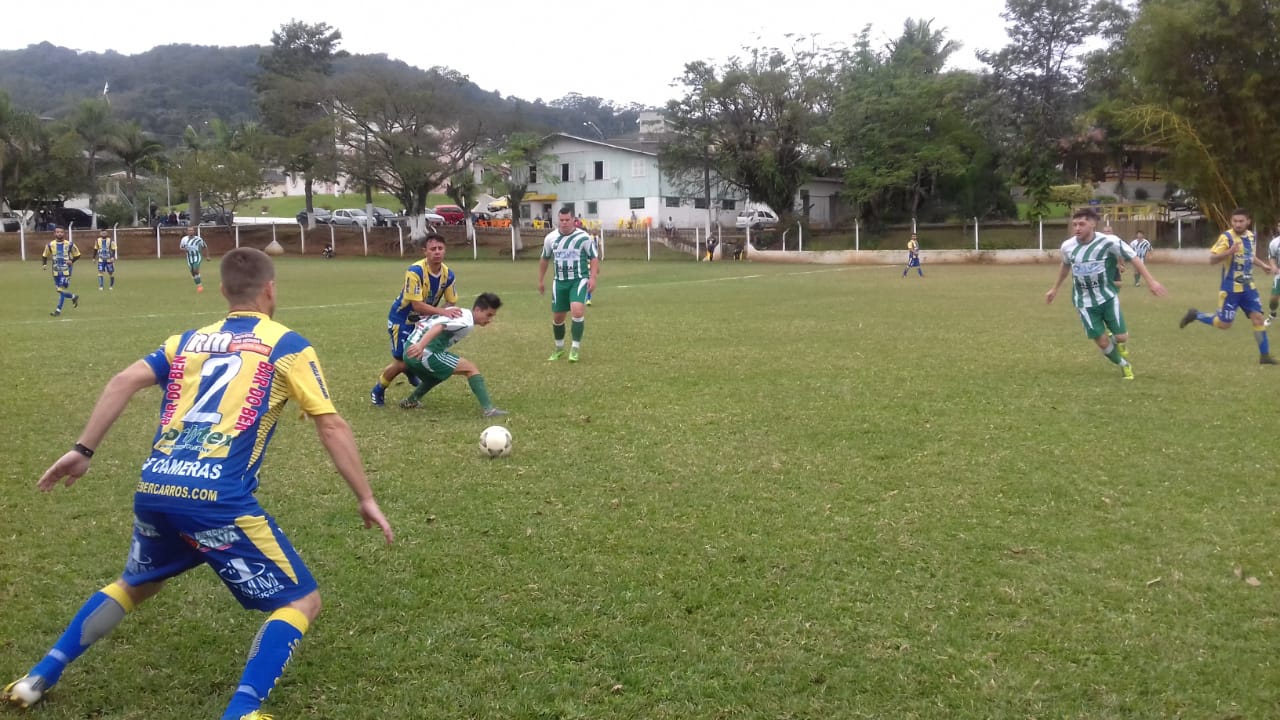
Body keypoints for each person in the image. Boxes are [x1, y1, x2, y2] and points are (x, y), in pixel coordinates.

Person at [2, 247, 394, 720]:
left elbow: (122, 380)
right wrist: (366, 497)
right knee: (300, 600)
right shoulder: (287, 346)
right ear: (271, 289)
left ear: (225, 292)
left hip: (156, 489)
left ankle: (36, 678)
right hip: (217, 501)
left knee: (135, 583)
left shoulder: (185, 342)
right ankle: (242, 713)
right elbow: (330, 425)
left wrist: (83, 451)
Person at [1045, 207, 1167, 379]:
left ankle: (1117, 342)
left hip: (1108, 297)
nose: (1077, 228)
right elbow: (1065, 265)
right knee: (1102, 341)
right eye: (1074, 225)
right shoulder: (1068, 246)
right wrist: (1055, 288)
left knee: (1122, 337)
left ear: (1093, 224)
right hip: (1084, 302)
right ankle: (1124, 364)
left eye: (1082, 224)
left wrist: (1151, 281)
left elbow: (1133, 258)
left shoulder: (1109, 242)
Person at [371, 233, 462, 406]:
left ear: (445, 250)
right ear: (425, 252)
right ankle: (378, 390)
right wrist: (440, 314)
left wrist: (436, 316)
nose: (437, 252)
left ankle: (410, 371)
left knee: (416, 355)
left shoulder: (448, 275)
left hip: (424, 320)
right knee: (401, 361)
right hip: (402, 319)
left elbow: (451, 301)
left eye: (440, 248)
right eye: (432, 249)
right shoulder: (415, 271)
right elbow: (416, 305)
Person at [1179, 207, 1278, 364]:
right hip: (1230, 289)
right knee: (1224, 324)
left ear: (1248, 222)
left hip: (1248, 288)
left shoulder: (1251, 236)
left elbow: (1249, 256)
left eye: (1241, 221)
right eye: (1235, 221)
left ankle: (1264, 356)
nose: (1237, 224)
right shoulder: (1226, 237)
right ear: (1231, 221)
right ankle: (1196, 315)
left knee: (1258, 318)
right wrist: (1229, 252)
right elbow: (1212, 259)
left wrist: (1263, 266)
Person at [399, 292, 508, 417]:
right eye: (488, 315)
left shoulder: (455, 311)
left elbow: (431, 320)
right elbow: (438, 326)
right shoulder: (465, 321)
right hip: (423, 352)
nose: (489, 320)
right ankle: (489, 410)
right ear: (477, 309)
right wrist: (421, 345)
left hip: (409, 349)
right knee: (471, 369)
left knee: (436, 376)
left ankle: (410, 401)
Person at [538, 207, 599, 363]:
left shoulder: (583, 237)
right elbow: (544, 259)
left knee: (577, 311)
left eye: (567, 220)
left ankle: (575, 349)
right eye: (561, 220)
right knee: (558, 318)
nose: (564, 223)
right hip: (559, 282)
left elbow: (594, 257)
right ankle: (559, 349)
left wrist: (592, 278)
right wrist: (540, 280)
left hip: (578, 280)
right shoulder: (550, 238)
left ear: (573, 220)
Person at [41, 225, 81, 316]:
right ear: (54, 233)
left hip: (66, 270)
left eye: (61, 232)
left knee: (61, 289)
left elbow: (78, 254)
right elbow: (44, 255)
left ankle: (58, 310)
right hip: (55, 270)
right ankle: (74, 296)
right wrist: (44, 264)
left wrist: (72, 261)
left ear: (64, 233)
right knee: (60, 291)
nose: (59, 234)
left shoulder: (70, 244)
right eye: (57, 232)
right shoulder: (50, 245)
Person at [179, 226, 208, 293]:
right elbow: (181, 247)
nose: (191, 231)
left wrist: (207, 256)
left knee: (195, 269)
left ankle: (200, 287)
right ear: (187, 232)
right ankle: (199, 285)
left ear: (194, 231)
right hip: (189, 257)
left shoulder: (199, 239)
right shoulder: (184, 239)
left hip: (197, 256)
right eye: (189, 230)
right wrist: (184, 249)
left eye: (192, 230)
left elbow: (205, 247)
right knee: (192, 272)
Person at [1266, 222, 1280, 326]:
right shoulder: (1274, 242)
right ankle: (1272, 314)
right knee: (1274, 298)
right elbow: (1272, 256)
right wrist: (1274, 266)